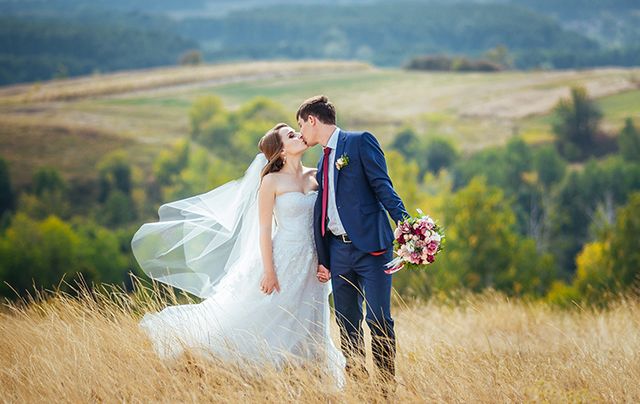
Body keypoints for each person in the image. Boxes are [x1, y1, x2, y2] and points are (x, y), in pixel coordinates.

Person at [131, 123, 344, 385]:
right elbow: (265, 230)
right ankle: (254, 370)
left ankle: (311, 378)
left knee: (312, 316)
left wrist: (328, 260)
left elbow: (326, 220)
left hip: (313, 262)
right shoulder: (271, 181)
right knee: (270, 314)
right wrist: (268, 270)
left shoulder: (317, 175)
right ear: (280, 151)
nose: (299, 135)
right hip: (283, 257)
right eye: (291, 135)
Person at [296, 95, 409, 386]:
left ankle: (385, 388)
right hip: (339, 252)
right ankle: (359, 386)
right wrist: (325, 258)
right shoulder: (321, 163)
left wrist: (406, 223)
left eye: (301, 125)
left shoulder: (359, 142)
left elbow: (383, 186)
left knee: (379, 319)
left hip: (373, 249)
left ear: (312, 119)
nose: (301, 133)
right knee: (346, 324)